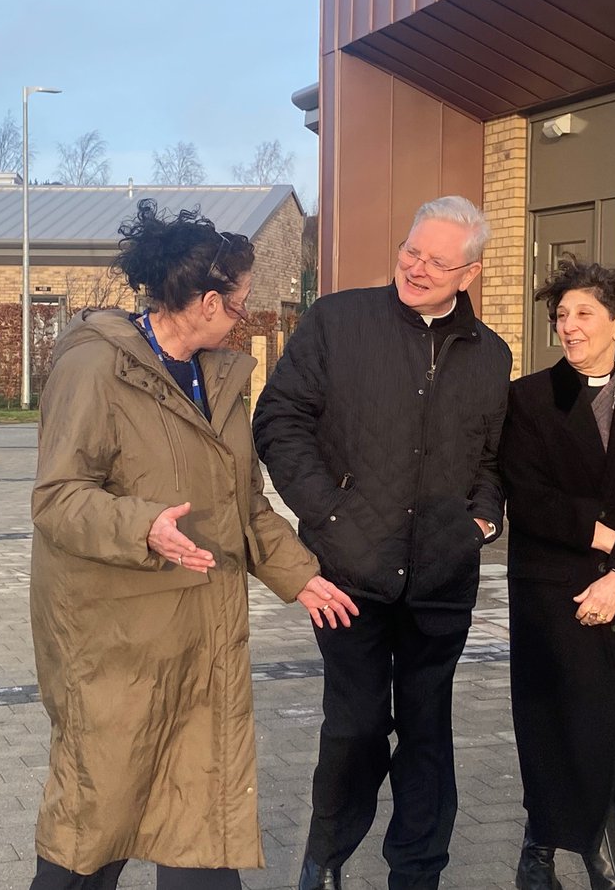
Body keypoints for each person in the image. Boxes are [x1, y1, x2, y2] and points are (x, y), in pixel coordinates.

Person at [29, 199, 359, 890]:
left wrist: (301, 575)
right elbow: (57, 499)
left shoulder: (217, 379)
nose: (241, 316)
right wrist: (141, 525)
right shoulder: (95, 369)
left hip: (201, 643)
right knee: (94, 833)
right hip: (118, 646)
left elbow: (243, 504)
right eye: (239, 303)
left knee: (201, 831)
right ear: (207, 301)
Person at [253, 196, 512, 890]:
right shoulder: (338, 321)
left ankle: (418, 871)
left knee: (428, 732)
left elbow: (493, 459)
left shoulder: (490, 353)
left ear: (470, 273)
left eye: (436, 260)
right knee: (357, 726)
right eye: (411, 250)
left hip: (441, 579)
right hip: (349, 576)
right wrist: (327, 515)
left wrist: (481, 523)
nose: (416, 267)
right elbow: (279, 419)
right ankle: (327, 854)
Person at [498, 255, 615, 890]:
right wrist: (603, 534)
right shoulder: (527, 399)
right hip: (551, 588)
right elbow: (526, 495)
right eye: (560, 316)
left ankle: (544, 851)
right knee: (566, 720)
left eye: (584, 314)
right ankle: (593, 866)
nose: (569, 327)